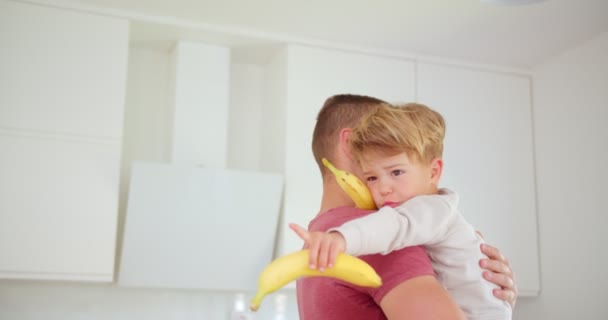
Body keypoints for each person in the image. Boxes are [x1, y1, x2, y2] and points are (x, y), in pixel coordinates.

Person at [293, 95, 517, 320]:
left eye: (397, 172)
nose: (383, 188)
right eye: (372, 177)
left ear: (433, 171)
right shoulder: (378, 239)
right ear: (351, 144)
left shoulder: (316, 239)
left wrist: (486, 295)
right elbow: (393, 227)